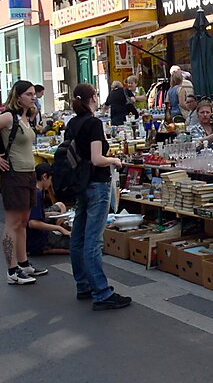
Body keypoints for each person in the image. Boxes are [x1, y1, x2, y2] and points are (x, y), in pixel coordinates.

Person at [0, 81, 48, 285]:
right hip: (13, 174)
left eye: (34, 94)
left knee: (23, 222)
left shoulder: (25, 117)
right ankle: (12, 270)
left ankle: (24, 263)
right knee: (12, 222)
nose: (33, 97)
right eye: (29, 94)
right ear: (18, 96)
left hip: (28, 173)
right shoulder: (8, 117)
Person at [68, 83, 131, 311]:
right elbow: (96, 158)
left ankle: (83, 284)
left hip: (81, 183)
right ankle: (102, 293)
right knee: (93, 240)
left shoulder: (73, 123)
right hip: (96, 183)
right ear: (93, 98)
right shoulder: (93, 123)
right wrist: (113, 160)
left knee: (79, 236)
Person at [27, 162, 71, 256]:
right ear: (44, 176)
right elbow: (32, 222)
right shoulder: (37, 194)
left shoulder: (36, 189)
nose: (51, 183)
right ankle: (45, 247)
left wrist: (49, 214)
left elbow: (31, 213)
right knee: (76, 244)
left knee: (60, 205)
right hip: (37, 238)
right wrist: (58, 228)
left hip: (33, 232)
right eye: (50, 179)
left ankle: (58, 229)